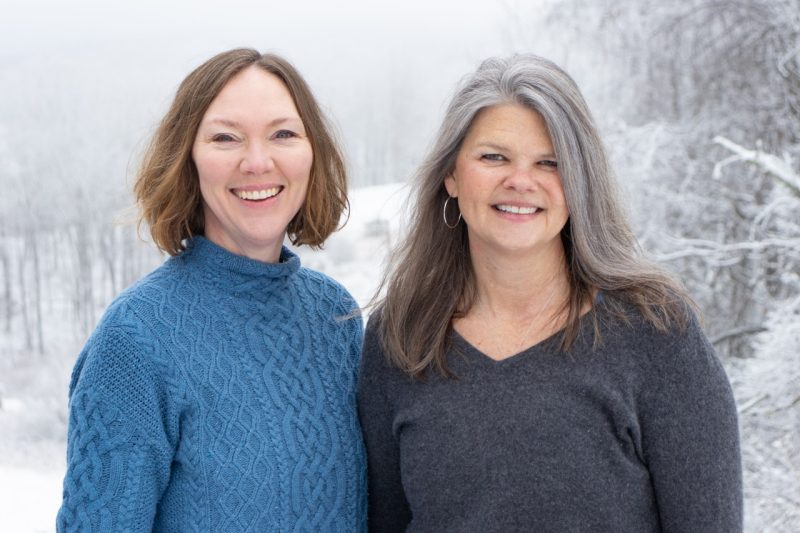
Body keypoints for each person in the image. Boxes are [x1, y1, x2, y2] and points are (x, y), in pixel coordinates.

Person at [358, 55, 742, 532]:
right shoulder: (401, 338)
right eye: (493, 157)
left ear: (580, 182)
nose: (521, 181)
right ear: (451, 175)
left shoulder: (656, 333)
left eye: (550, 162)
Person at [57, 48, 366, 532]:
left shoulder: (336, 316)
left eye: (283, 134)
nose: (258, 161)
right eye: (226, 138)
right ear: (188, 159)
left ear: (313, 154)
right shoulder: (135, 340)